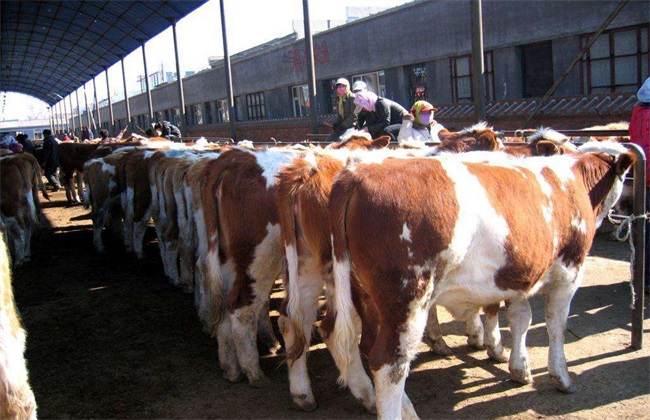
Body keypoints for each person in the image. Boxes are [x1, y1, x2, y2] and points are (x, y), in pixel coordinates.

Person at [628, 76, 649, 293]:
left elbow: (634, 137)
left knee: (642, 226)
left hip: (642, 176)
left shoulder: (637, 113)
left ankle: (641, 276)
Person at [326, 78, 358, 142]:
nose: (340, 88)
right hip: (342, 127)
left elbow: (355, 115)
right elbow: (340, 115)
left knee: (342, 140)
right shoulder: (339, 100)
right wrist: (336, 124)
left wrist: (343, 125)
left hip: (352, 126)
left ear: (347, 87)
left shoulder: (352, 98)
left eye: (342, 86)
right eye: (338, 87)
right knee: (328, 141)